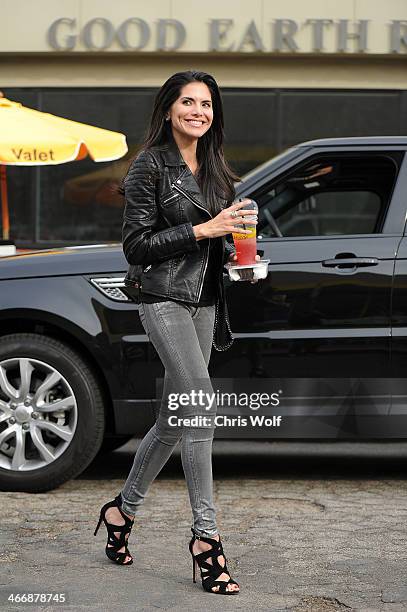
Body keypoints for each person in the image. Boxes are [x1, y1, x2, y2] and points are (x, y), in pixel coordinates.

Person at [94, 70, 259, 595]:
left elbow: (215, 244)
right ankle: (205, 540)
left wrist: (237, 252)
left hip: (205, 303)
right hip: (162, 298)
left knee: (172, 420)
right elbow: (136, 247)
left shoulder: (214, 170)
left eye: (206, 104)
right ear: (169, 110)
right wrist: (204, 229)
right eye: (187, 102)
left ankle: (121, 512)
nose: (198, 111)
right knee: (200, 404)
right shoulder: (150, 166)